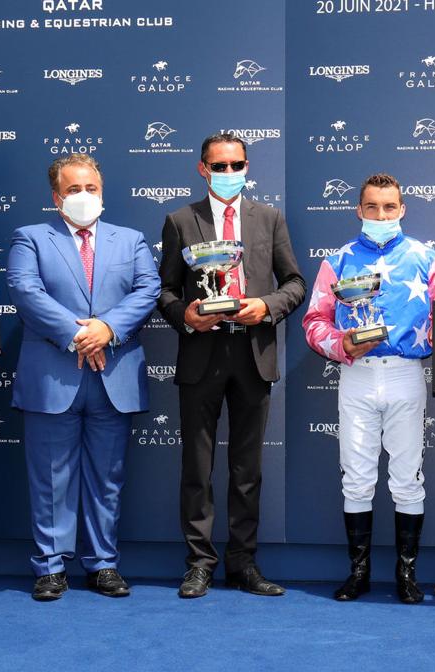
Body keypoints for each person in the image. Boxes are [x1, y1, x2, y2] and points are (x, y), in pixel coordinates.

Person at [157, 132, 306, 599]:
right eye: (218, 166)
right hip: (201, 357)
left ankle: (243, 563)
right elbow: (163, 292)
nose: (228, 174)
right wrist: (186, 316)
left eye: (235, 165)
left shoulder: (270, 219)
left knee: (247, 470)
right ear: (202, 168)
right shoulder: (180, 221)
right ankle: (199, 563)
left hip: (253, 356)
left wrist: (266, 306)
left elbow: (296, 283)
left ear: (246, 167)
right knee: (197, 469)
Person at [7, 154, 160, 602]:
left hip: (114, 376)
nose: (84, 196)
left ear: (102, 192)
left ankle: (102, 564)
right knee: (50, 478)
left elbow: (147, 289)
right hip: (53, 377)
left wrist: (106, 329)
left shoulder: (130, 240)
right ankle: (51, 566)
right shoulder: (30, 238)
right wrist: (78, 335)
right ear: (57, 198)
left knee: (107, 477)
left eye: (91, 188)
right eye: (73, 190)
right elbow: (25, 290)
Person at [302, 173, 435, 604]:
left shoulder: (429, 259)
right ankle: (359, 573)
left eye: (389, 207)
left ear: (402, 209)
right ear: (359, 211)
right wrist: (342, 343)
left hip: (406, 373)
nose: (381, 215)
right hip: (357, 375)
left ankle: (407, 575)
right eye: (372, 207)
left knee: (407, 480)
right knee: (357, 478)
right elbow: (314, 322)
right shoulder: (338, 261)